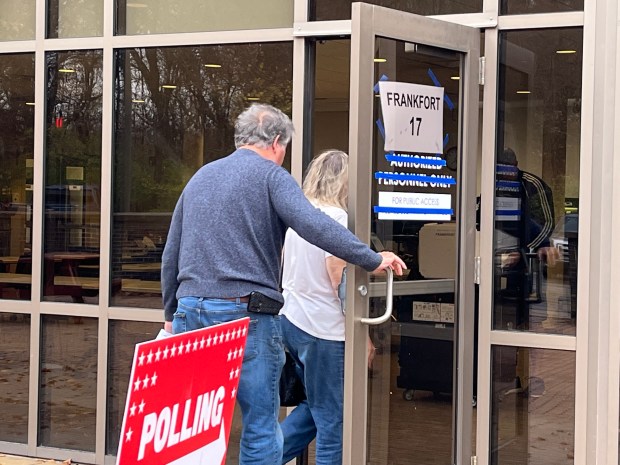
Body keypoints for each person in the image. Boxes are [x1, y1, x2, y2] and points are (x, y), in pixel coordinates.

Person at [160, 104, 406, 465]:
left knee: (194, 427)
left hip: (189, 313)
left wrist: (170, 314)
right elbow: (315, 225)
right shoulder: (271, 177)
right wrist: (372, 258)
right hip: (244, 314)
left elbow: (172, 251)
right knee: (260, 424)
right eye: (285, 147)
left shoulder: (201, 177)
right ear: (276, 142)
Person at [278, 150, 376, 464]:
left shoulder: (298, 218)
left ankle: (264, 459)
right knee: (334, 421)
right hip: (323, 330)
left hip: (291, 321)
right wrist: (363, 333)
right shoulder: (336, 218)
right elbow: (340, 277)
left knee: (314, 406)